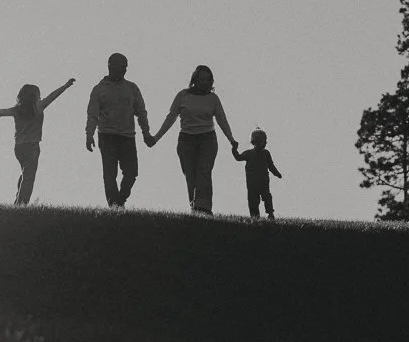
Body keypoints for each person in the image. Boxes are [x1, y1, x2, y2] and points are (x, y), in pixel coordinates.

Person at [149, 64, 237, 214]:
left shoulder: (213, 98)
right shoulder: (183, 96)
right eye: (201, 79)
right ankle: (195, 207)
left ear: (211, 82)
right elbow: (171, 118)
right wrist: (156, 137)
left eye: (207, 80)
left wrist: (231, 140)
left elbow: (222, 119)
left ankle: (204, 208)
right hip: (186, 140)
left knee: (204, 172)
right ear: (194, 80)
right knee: (190, 175)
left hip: (207, 139)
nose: (204, 82)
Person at [0, 77, 76, 205]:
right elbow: (53, 96)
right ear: (35, 96)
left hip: (19, 148)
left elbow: (0, 112)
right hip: (32, 147)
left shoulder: (16, 110)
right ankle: (21, 204)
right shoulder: (38, 107)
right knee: (29, 177)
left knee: (25, 174)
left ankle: (18, 199)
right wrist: (66, 85)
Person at [84, 53, 153, 208]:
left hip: (127, 136)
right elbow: (92, 114)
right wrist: (89, 135)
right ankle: (114, 206)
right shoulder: (99, 89)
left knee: (132, 173)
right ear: (110, 65)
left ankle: (120, 200)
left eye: (125, 66)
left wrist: (146, 132)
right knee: (110, 174)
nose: (123, 69)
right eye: (119, 65)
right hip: (107, 136)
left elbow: (141, 111)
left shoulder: (132, 88)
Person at [230, 127, 283, 218]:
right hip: (252, 183)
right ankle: (255, 217)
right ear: (254, 142)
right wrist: (234, 149)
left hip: (264, 181)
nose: (263, 143)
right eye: (260, 141)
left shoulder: (266, 153)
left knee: (267, 197)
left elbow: (271, 166)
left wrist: (277, 173)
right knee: (253, 200)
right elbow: (238, 158)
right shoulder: (248, 153)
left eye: (264, 141)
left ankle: (270, 213)